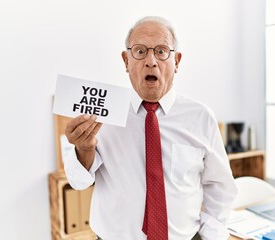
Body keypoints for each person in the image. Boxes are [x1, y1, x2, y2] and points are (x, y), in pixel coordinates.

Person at [64, 16, 237, 240]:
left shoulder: (201, 117)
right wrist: (84, 148)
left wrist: (212, 236)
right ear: (126, 61)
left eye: (162, 51)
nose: (151, 61)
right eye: (140, 51)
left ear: (177, 61)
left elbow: (220, 187)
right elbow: (79, 182)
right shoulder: (101, 114)